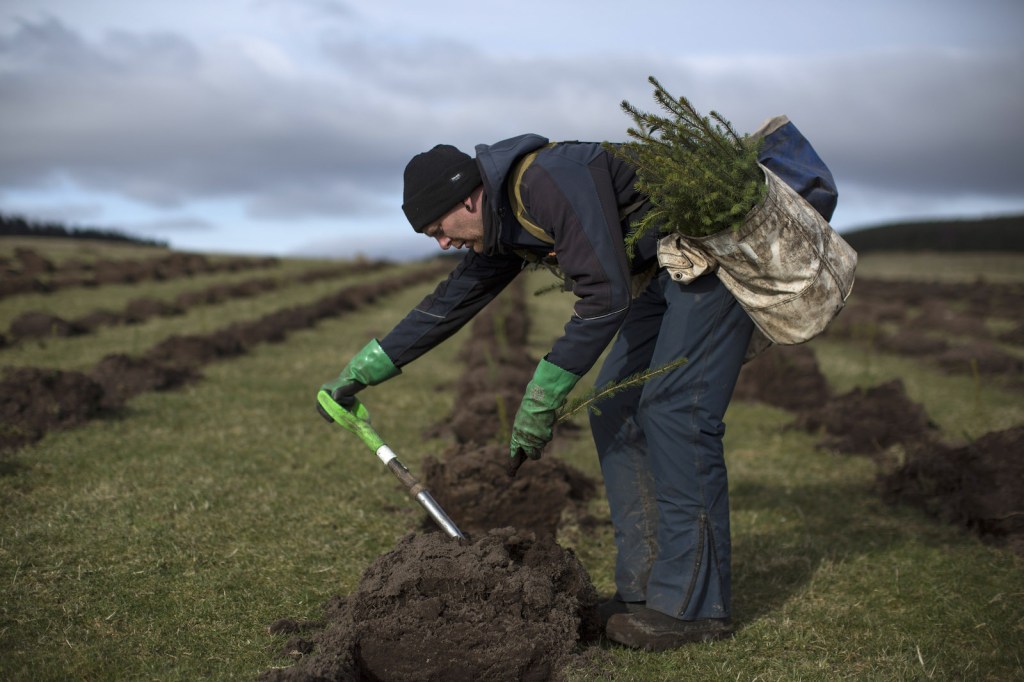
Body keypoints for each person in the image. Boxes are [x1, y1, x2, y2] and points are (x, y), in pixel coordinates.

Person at [318, 126, 837, 651]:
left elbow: (606, 297)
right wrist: (362, 372)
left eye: (439, 228)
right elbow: (449, 302)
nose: (444, 243)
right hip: (663, 267)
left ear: (468, 197)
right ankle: (644, 590)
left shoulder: (548, 180)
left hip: (713, 249)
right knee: (614, 406)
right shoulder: (501, 225)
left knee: (675, 409)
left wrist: (541, 395)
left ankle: (694, 608)